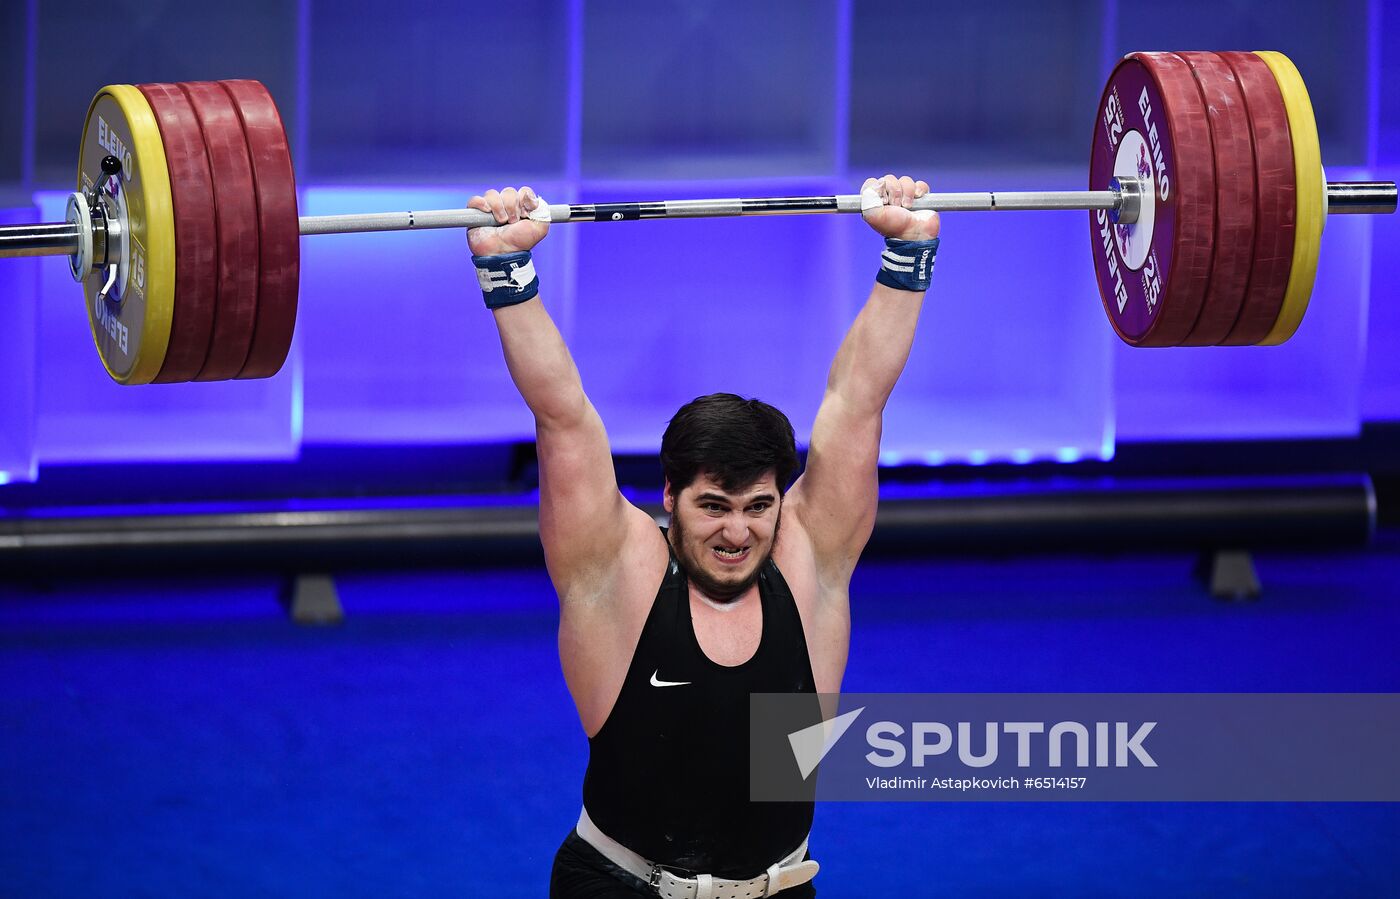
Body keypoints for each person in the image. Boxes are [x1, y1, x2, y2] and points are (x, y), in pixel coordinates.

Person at [466, 175, 940, 898]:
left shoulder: (810, 562)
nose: (737, 531)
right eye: (713, 505)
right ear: (669, 497)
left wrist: (906, 253)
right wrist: (507, 269)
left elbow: (858, 402)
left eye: (756, 506)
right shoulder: (616, 571)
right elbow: (563, 415)